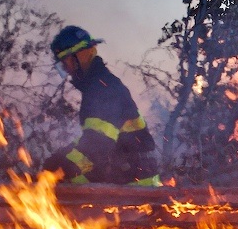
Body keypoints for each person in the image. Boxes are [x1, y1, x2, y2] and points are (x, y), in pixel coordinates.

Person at [43, 25, 161, 186]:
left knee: (68, 182)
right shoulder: (99, 85)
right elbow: (94, 137)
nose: (66, 69)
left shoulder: (103, 88)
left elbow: (98, 144)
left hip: (132, 186)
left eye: (66, 62)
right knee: (72, 180)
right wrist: (62, 156)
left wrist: (61, 169)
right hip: (124, 177)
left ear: (79, 57)